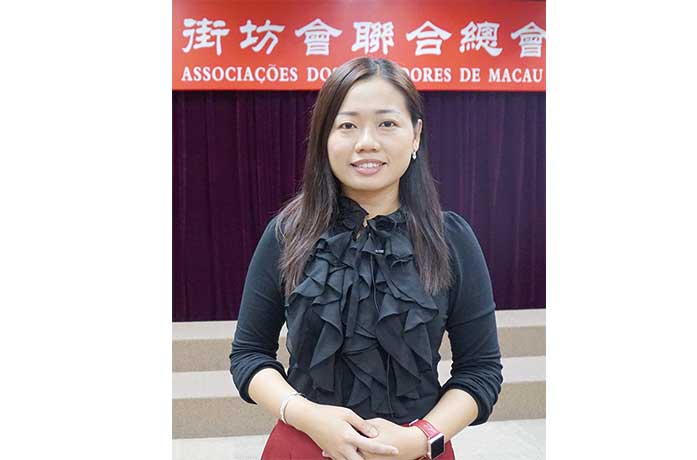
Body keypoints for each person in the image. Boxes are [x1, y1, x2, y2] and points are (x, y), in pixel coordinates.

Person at [230, 57, 503, 460]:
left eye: (387, 123)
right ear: (324, 138)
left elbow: (480, 371)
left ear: (415, 135)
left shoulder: (451, 240)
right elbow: (249, 354)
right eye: (347, 125)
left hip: (416, 452)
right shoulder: (288, 234)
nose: (366, 142)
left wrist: (421, 438)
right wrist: (308, 416)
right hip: (304, 446)